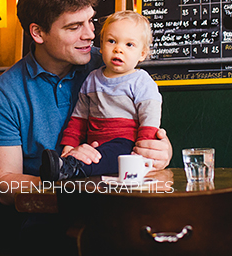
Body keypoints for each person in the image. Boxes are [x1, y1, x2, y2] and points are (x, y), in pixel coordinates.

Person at [0, 0, 172, 207]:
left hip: (121, 206)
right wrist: (69, 175)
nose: (90, 34)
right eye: (74, 27)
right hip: (51, 214)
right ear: (38, 33)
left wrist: (159, 153)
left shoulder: (112, 65)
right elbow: (4, 186)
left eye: (91, 21)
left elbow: (146, 133)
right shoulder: (5, 93)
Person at [40, 10, 162, 181]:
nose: (118, 49)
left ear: (142, 54)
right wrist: (69, 147)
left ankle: (71, 170)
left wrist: (141, 153)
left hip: (126, 145)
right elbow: (79, 118)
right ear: (101, 46)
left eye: (129, 45)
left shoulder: (141, 81)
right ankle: (66, 164)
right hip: (94, 144)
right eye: (112, 41)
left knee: (109, 154)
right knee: (92, 155)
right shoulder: (92, 79)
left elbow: (150, 118)